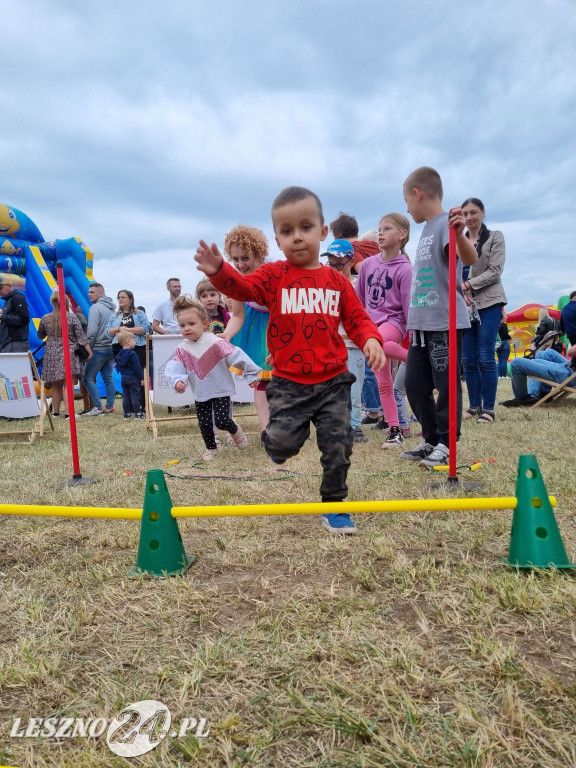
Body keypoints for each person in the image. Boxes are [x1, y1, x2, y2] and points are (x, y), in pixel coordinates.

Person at [195, 185, 385, 535]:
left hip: (332, 381)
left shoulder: (338, 282)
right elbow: (242, 290)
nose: (297, 237)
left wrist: (371, 338)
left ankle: (335, 506)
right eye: (286, 231)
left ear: (323, 232)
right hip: (288, 382)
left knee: (338, 445)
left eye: (306, 227)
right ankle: (276, 445)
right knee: (284, 443)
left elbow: (357, 318)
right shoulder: (272, 276)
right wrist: (219, 270)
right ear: (277, 239)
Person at [400, 167, 477, 468]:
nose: (406, 207)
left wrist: (460, 233)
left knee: (446, 386)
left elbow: (469, 259)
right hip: (420, 323)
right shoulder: (427, 228)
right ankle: (431, 437)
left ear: (417, 194)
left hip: (444, 322)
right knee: (414, 385)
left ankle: (446, 442)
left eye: (406, 200)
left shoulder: (446, 223)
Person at [165, 296, 262, 461]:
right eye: (182, 325)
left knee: (222, 420)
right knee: (205, 424)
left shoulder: (215, 342)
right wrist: (177, 381)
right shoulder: (182, 349)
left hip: (220, 389)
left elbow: (236, 355)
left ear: (204, 324)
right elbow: (175, 367)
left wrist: (251, 373)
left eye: (191, 324)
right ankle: (211, 448)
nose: (186, 328)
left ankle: (234, 430)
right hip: (201, 392)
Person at [356, 213, 413, 448]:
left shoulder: (406, 269)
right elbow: (358, 300)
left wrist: (413, 339)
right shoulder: (368, 264)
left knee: (378, 343)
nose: (380, 233)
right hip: (370, 327)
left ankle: (416, 359)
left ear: (402, 234)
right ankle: (396, 430)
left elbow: (408, 309)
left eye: (387, 228)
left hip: (394, 324)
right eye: (379, 229)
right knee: (383, 383)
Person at [220, 225, 272, 432]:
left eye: (245, 258)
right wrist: (228, 333)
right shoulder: (235, 279)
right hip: (254, 326)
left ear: (259, 254)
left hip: (279, 323)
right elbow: (238, 315)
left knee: (288, 381)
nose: (240, 264)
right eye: (235, 259)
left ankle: (291, 428)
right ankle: (268, 432)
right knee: (262, 382)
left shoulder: (273, 271)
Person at [460, 198, 507, 424]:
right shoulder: (459, 241)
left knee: (486, 356)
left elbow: (495, 271)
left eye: (473, 212)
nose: (469, 217)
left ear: (483, 213)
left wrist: (468, 285)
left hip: (489, 302)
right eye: (465, 213)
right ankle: (474, 406)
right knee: (468, 358)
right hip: (465, 305)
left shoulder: (495, 237)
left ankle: (488, 409)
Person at [321, 239, 368, 443]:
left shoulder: (359, 284)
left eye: (339, 264)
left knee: (354, 389)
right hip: (331, 346)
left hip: (354, 346)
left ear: (351, 261)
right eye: (331, 264)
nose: (335, 269)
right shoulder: (324, 287)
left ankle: (355, 426)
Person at [37, 290, 92, 417]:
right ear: (66, 302)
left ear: (52, 302)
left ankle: (55, 412)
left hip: (51, 354)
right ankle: (68, 413)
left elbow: (40, 335)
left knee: (56, 385)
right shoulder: (72, 317)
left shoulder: (45, 318)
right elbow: (81, 337)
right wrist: (89, 352)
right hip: (69, 352)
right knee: (68, 384)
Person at [106, 290, 152, 410]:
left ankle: (141, 405)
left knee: (139, 374)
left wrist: (128, 330)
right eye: (119, 297)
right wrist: (118, 328)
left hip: (138, 347)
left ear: (130, 299)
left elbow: (147, 329)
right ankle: (129, 406)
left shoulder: (139, 313)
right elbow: (107, 332)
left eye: (123, 297)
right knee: (126, 376)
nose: (120, 299)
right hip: (119, 348)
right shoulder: (114, 316)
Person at [499, 344, 576, 407]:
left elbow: (571, 352)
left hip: (572, 374)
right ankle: (542, 393)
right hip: (569, 365)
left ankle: (524, 398)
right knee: (544, 354)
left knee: (516, 363)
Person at [82, 283, 116, 415]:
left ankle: (97, 407)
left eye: (92, 292)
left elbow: (92, 332)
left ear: (101, 293)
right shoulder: (112, 309)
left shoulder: (95, 308)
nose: (89, 294)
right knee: (108, 378)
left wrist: (87, 349)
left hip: (98, 349)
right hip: (110, 348)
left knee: (87, 378)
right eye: (89, 292)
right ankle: (109, 407)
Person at [115, 330, 145, 419]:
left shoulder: (119, 354)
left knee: (126, 396)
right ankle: (138, 414)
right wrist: (142, 378)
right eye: (134, 340)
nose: (135, 342)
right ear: (128, 341)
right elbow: (137, 367)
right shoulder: (133, 354)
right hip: (133, 379)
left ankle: (126, 414)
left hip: (124, 378)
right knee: (135, 396)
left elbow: (119, 367)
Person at [0, 275, 30, 353]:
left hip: (15, 344)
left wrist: (3, 317)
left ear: (10, 286)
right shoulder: (8, 301)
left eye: (1, 288)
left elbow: (24, 319)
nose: (0, 291)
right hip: (9, 344)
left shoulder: (16, 298)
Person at [497, 309, 512, 378]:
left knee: (499, 360)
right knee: (504, 360)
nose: (507, 317)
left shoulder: (496, 325)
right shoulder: (504, 325)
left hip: (497, 344)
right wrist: (510, 336)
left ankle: (499, 375)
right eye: (506, 315)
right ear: (503, 316)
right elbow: (505, 334)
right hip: (505, 343)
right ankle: (504, 375)